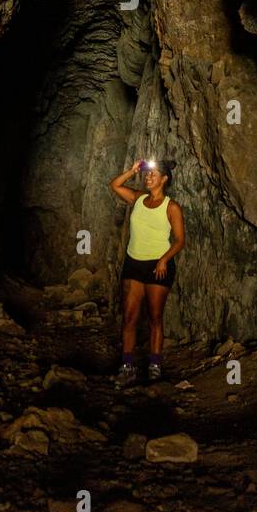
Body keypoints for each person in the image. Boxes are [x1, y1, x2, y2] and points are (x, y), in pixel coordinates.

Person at [108, 157, 185, 385]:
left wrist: (164, 260)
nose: (148, 177)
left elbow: (180, 240)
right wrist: (132, 170)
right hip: (133, 264)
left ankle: (155, 365)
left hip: (157, 266)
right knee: (130, 317)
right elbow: (115, 186)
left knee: (155, 317)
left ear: (164, 179)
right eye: (147, 174)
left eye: (153, 174)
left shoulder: (172, 207)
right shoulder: (139, 198)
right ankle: (127, 366)